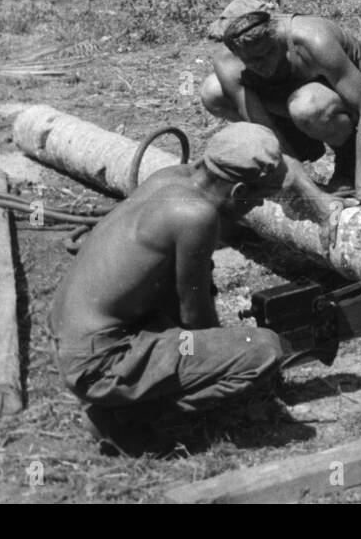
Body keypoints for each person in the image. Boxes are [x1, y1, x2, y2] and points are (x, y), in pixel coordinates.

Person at [48, 123, 337, 456]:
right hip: (98, 361)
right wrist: (223, 355)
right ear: (239, 192)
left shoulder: (173, 177)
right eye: (259, 198)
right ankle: (122, 418)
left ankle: (127, 395)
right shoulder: (195, 217)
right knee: (263, 351)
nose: (257, 207)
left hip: (69, 333)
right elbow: (195, 316)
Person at [200, 0, 361, 209]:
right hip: (290, 91)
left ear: (274, 32)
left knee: (308, 107)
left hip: (358, 82)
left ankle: (347, 161)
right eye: (252, 60)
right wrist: (312, 194)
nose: (262, 65)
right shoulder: (228, 61)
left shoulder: (313, 40)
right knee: (213, 91)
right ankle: (302, 146)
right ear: (235, 51)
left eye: (267, 53)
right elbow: (265, 130)